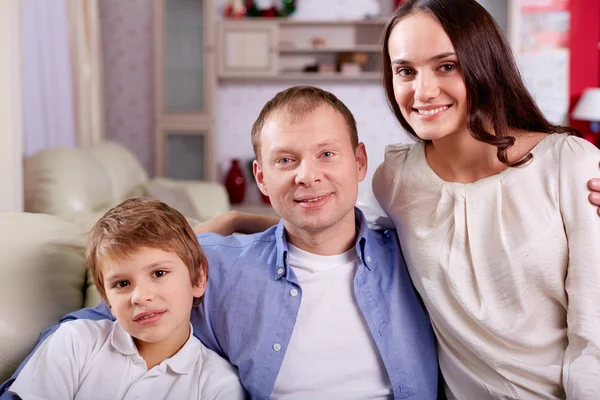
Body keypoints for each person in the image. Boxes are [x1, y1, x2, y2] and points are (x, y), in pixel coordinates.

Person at [0, 87, 439, 399]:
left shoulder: (413, 252)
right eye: (286, 160)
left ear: (359, 161)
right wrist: (223, 225)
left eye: (327, 154)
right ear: (262, 178)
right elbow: (111, 307)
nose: (307, 174)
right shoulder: (221, 265)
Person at [371, 0, 600, 398]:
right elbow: (346, 235)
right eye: (405, 71)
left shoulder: (568, 165)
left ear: (485, 64)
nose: (422, 91)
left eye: (446, 65)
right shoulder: (395, 179)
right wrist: (240, 225)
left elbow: (593, 336)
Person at [7, 198, 245, 400]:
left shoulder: (218, 385)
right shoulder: (74, 342)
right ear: (107, 299)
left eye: (159, 273)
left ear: (198, 278)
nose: (140, 297)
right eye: (122, 284)